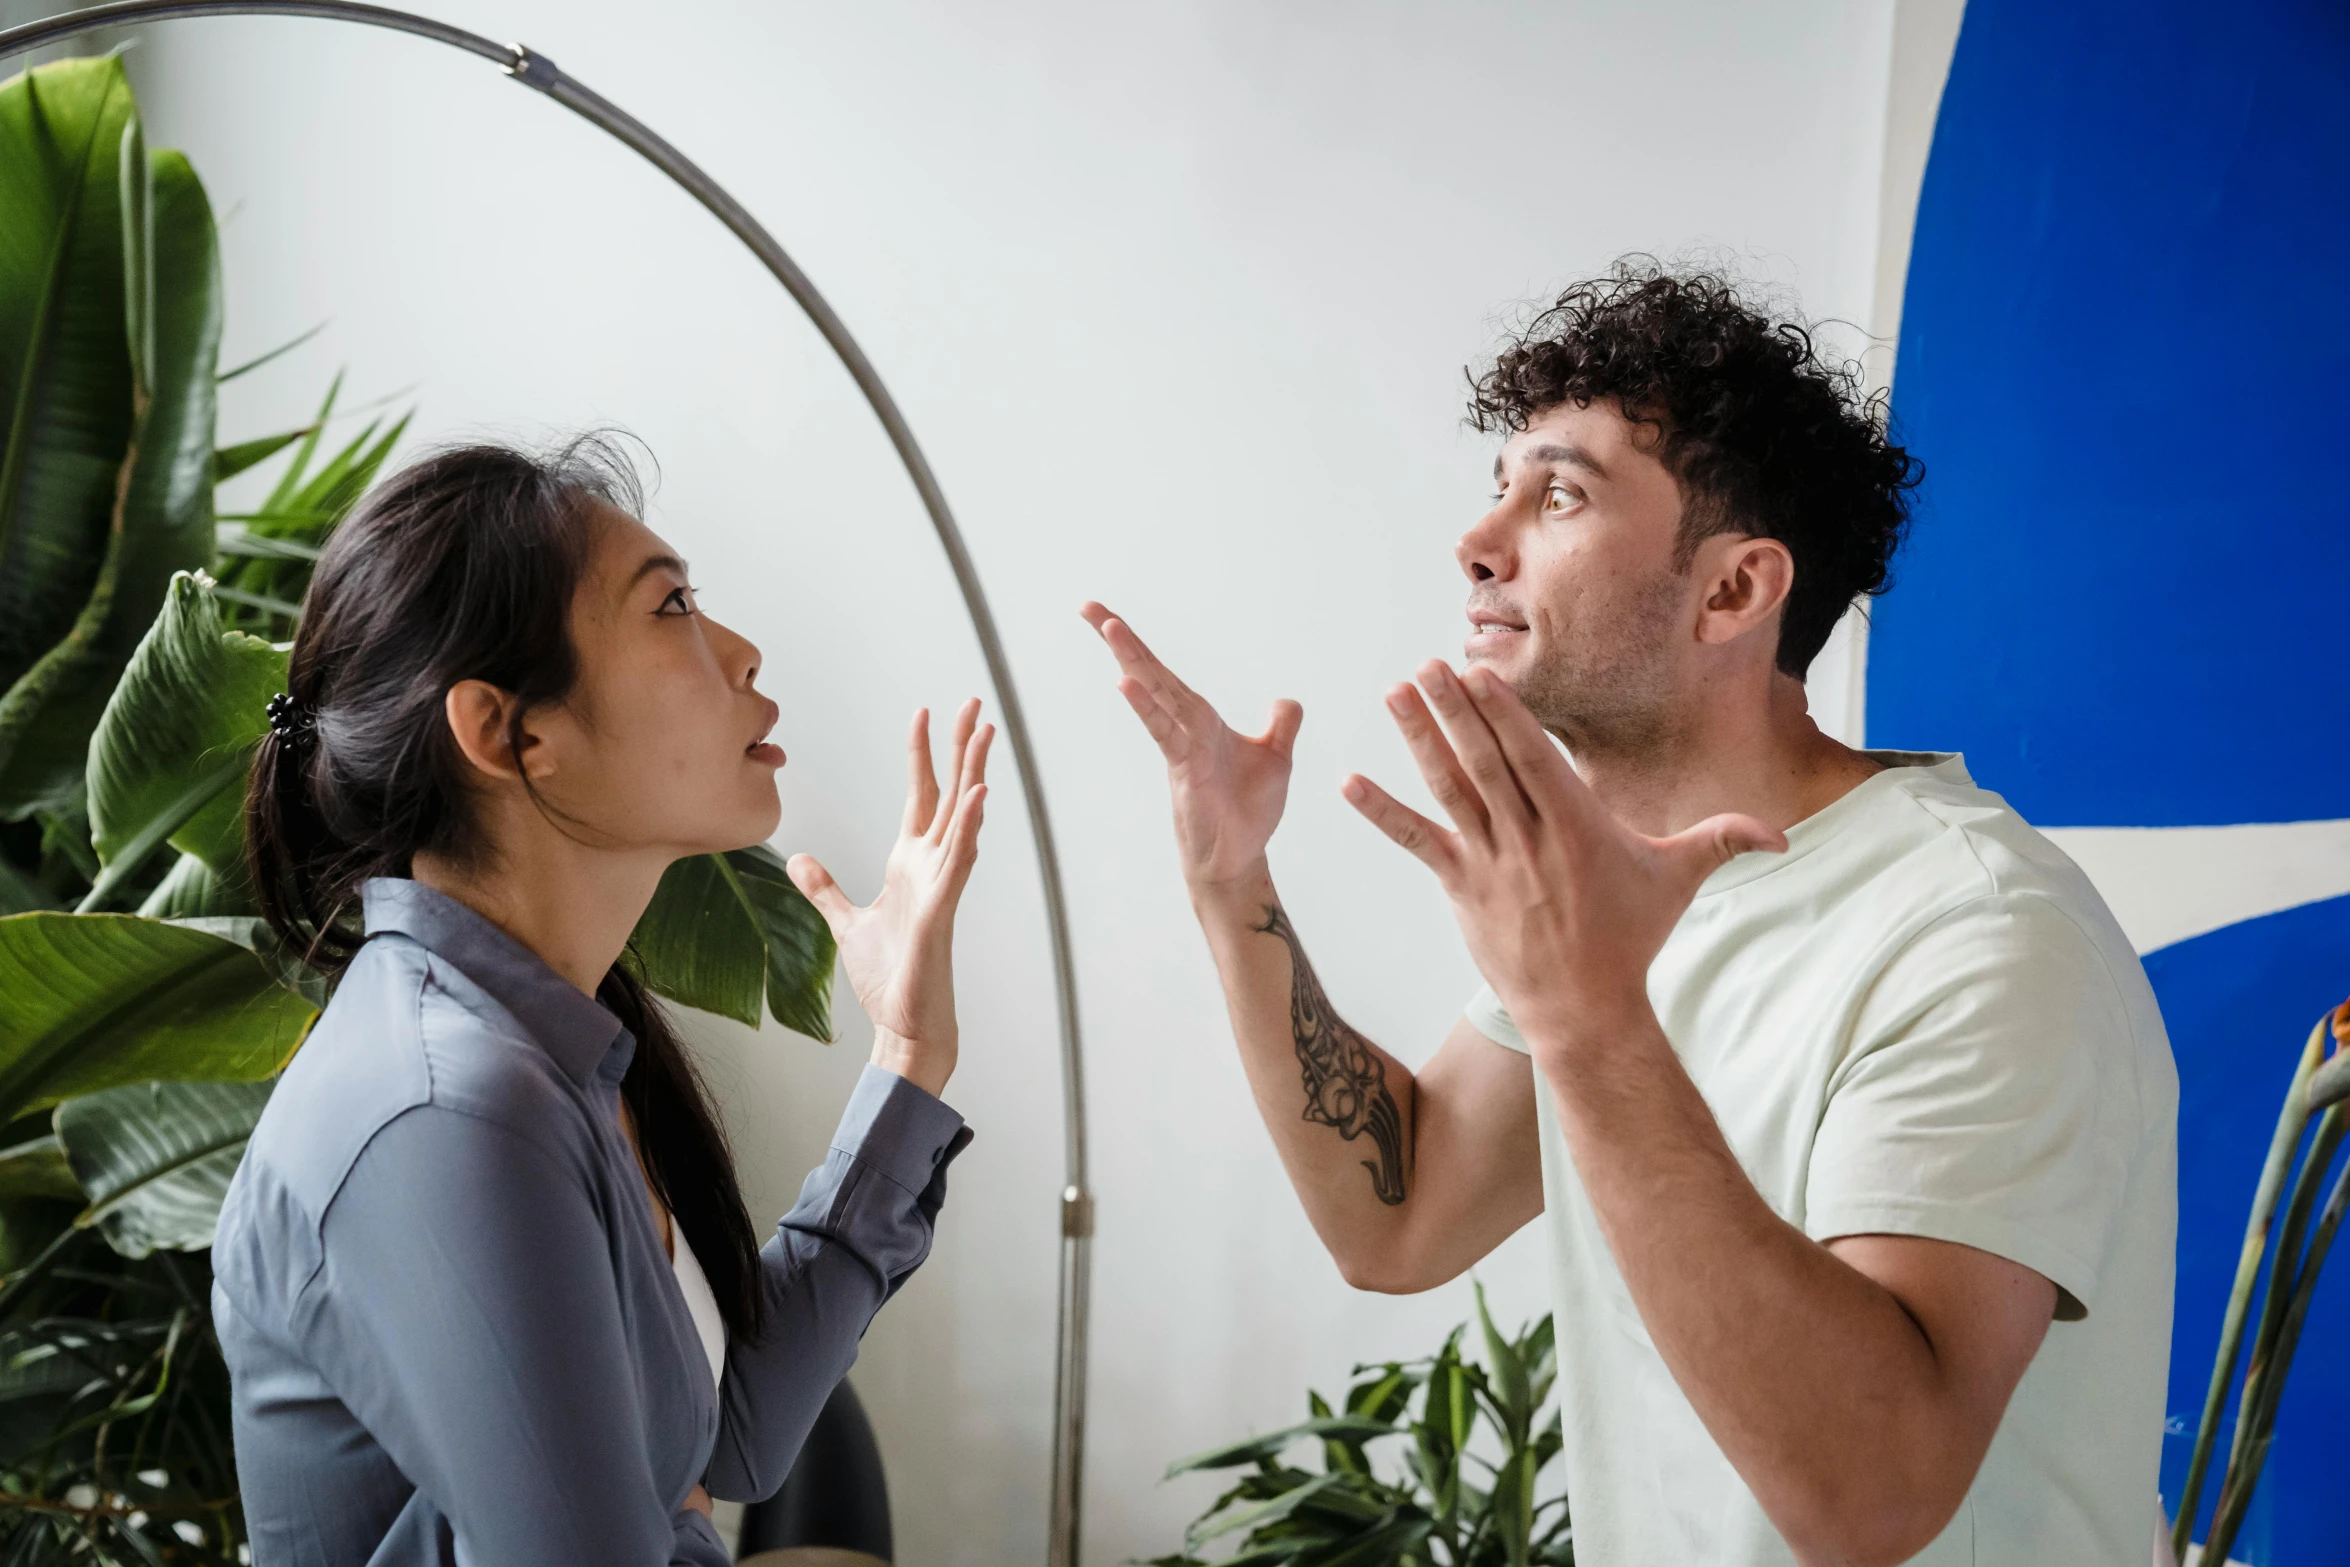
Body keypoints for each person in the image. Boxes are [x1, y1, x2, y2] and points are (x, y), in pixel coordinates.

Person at [1086, 261, 2177, 1566]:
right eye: (1497, 489)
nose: (1476, 542)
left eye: (1557, 493)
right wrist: (1230, 881)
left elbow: (1875, 1494)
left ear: (1732, 590)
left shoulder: (1977, 930)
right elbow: (1400, 1211)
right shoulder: (1611, 898)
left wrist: (1588, 1016)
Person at [214, 437, 992, 1566]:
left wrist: (907, 1053)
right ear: (508, 731)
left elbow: (735, 1433)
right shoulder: (448, 1111)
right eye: (670, 605)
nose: (740, 650)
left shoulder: (549, 1051)